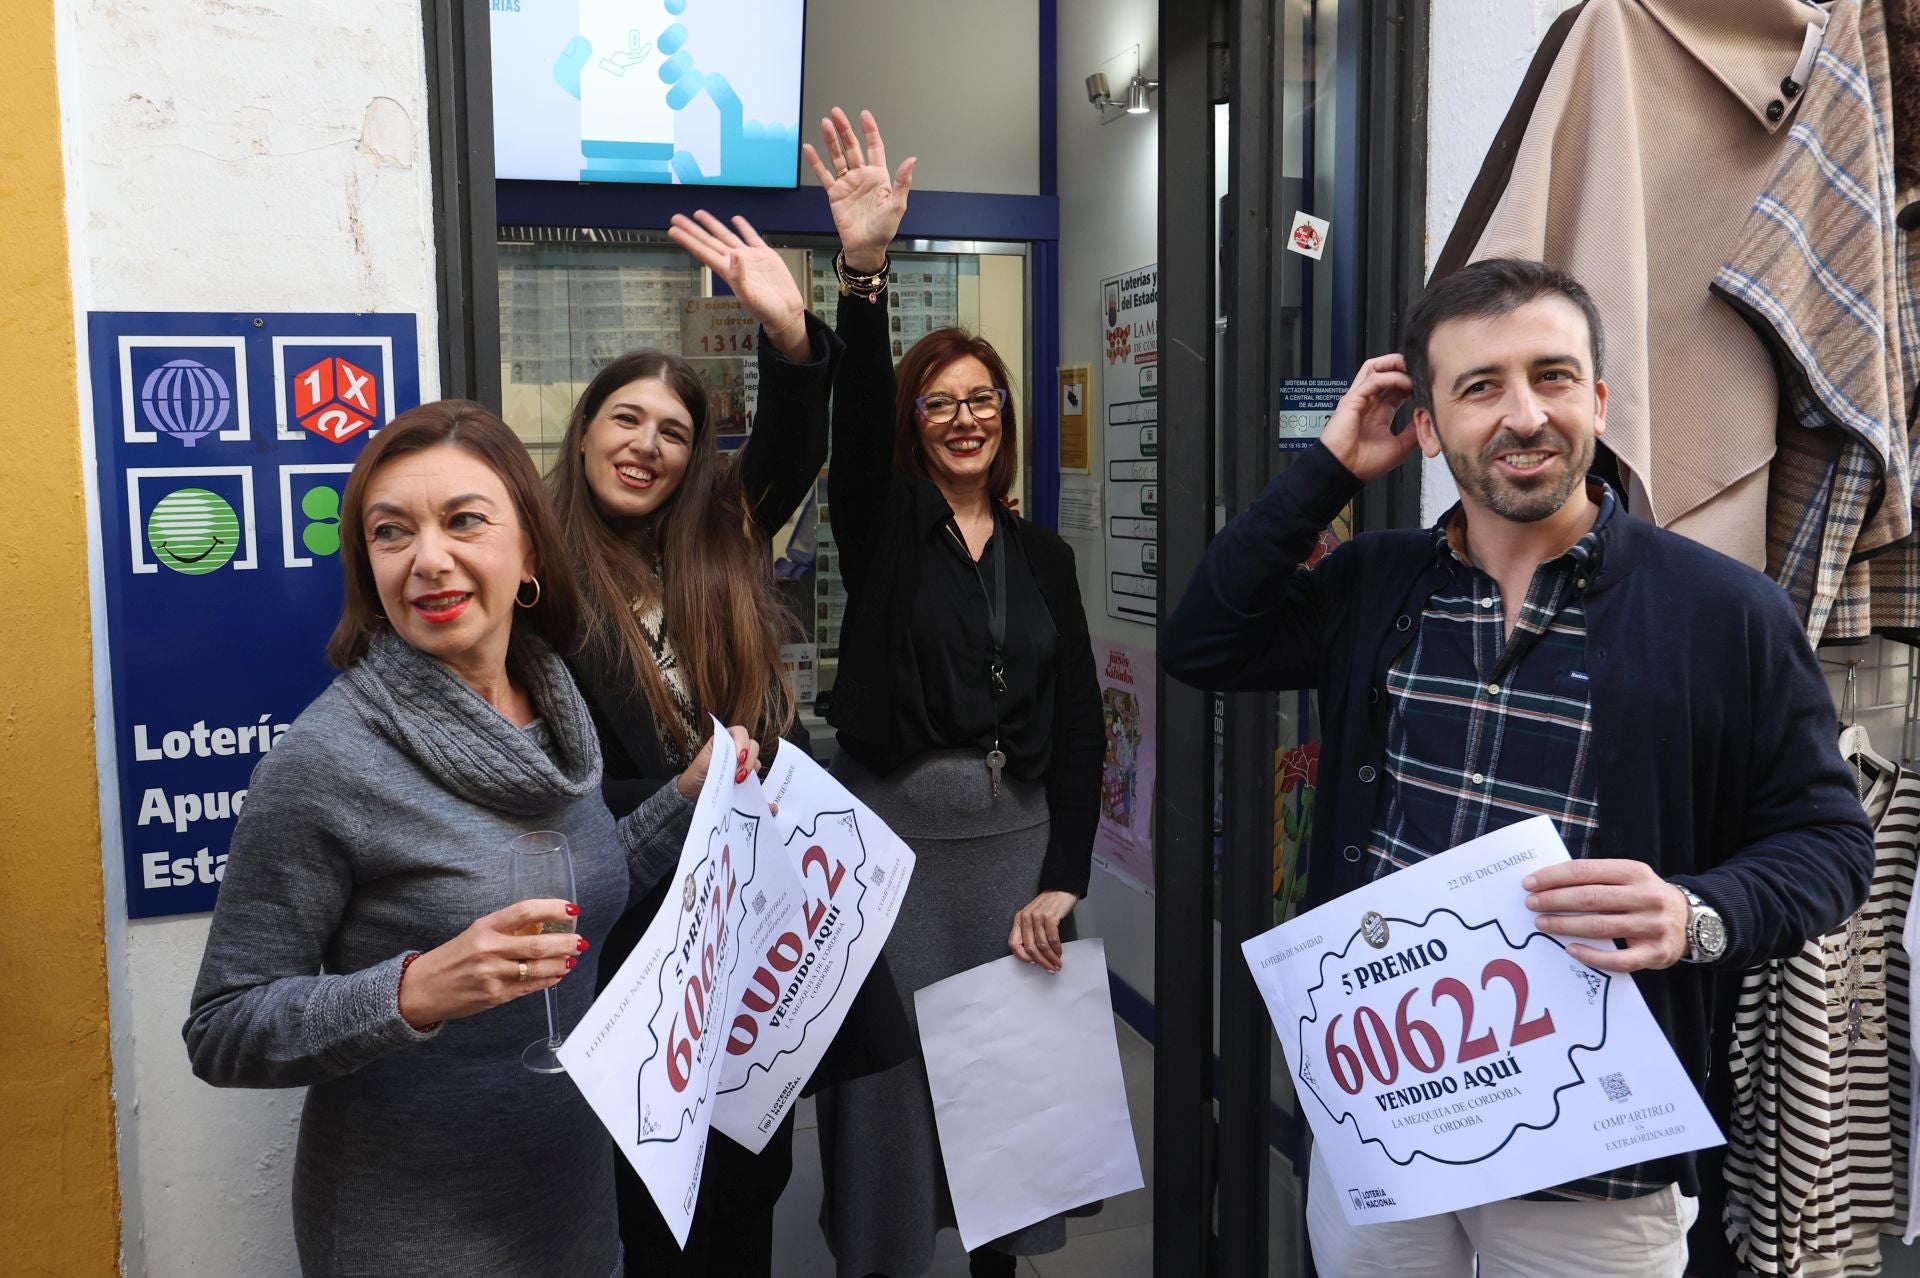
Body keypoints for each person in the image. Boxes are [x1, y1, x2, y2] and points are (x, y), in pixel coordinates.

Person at [1163, 258, 1876, 1277]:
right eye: (1480, 386)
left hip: (1595, 1159)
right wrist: (1327, 472)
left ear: (1599, 399)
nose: (1524, 415)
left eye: (1552, 376)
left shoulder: (1725, 613)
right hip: (1389, 1121)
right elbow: (1205, 642)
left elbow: (1831, 844)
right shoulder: (1374, 585)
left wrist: (1695, 914)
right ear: (1426, 425)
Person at [183, 403, 759, 1277]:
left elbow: (582, 886)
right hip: (414, 1237)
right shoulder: (325, 761)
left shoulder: (556, 706)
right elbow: (224, 1029)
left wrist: (685, 798)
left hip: (573, 1203)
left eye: (464, 521)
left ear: (529, 554)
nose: (428, 559)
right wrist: (414, 991)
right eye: (391, 532)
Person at [547, 210, 911, 1276]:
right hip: (637, 956)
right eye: (626, 419)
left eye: (672, 431)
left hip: (752, 934)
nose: (646, 445)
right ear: (584, 431)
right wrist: (676, 794)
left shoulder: (715, 544)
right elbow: (545, 786)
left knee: (750, 1176)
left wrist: (792, 334)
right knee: (654, 1207)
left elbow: (796, 446)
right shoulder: (541, 582)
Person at [803, 108, 1105, 1278]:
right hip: (893, 861)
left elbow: (1079, 726)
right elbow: (852, 417)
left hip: (1015, 863)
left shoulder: (1045, 559)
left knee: (1011, 1116)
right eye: (940, 403)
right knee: (889, 1107)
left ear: (1005, 419)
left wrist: (1065, 876)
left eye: (983, 399)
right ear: (914, 425)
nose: (966, 418)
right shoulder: (881, 531)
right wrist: (864, 274)